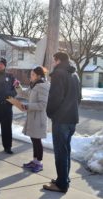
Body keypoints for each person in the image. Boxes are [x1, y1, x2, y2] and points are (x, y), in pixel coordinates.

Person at [43, 52, 81, 193]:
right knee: (66, 150)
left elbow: (55, 98)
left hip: (61, 120)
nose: (53, 63)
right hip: (72, 119)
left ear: (58, 60)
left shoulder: (58, 74)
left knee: (60, 152)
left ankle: (61, 185)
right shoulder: (75, 74)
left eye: (54, 60)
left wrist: (51, 113)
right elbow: (79, 98)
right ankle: (63, 179)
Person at [14, 66, 50, 173]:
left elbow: (43, 105)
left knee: (37, 140)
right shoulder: (34, 85)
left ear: (39, 76)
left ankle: (39, 163)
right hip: (33, 117)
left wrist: (28, 106)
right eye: (31, 75)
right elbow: (24, 94)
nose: (31, 77)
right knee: (33, 139)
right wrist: (18, 86)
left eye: (33, 75)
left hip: (38, 119)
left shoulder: (43, 87)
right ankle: (35, 161)